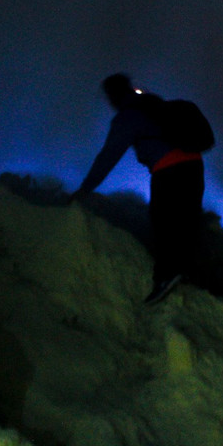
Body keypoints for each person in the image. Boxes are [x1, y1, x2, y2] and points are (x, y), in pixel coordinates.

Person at [72, 73, 206, 304]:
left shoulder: (128, 116)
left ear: (113, 96)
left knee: (162, 221)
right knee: (186, 222)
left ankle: (165, 279)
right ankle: (190, 278)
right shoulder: (155, 104)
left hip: (169, 170)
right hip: (194, 165)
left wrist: (85, 188)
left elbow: (108, 156)